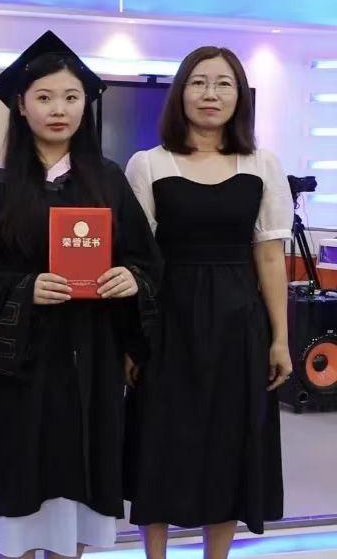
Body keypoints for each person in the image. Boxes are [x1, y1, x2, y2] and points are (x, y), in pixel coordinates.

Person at [0, 31, 161, 559]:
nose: (58, 109)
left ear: (86, 105)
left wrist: (131, 279)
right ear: (21, 105)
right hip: (24, 368)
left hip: (93, 361)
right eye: (44, 97)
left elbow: (147, 260)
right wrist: (23, 289)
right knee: (24, 485)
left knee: (82, 488)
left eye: (70, 97)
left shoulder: (107, 181)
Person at [124, 46, 292, 558]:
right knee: (160, 440)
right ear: (181, 93)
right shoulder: (148, 163)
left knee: (229, 444)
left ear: (239, 96)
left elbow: (269, 257)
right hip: (167, 322)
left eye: (223, 84)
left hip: (239, 323)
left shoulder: (262, 163)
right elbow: (137, 258)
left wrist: (281, 339)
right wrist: (131, 340)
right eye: (198, 82)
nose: (210, 94)